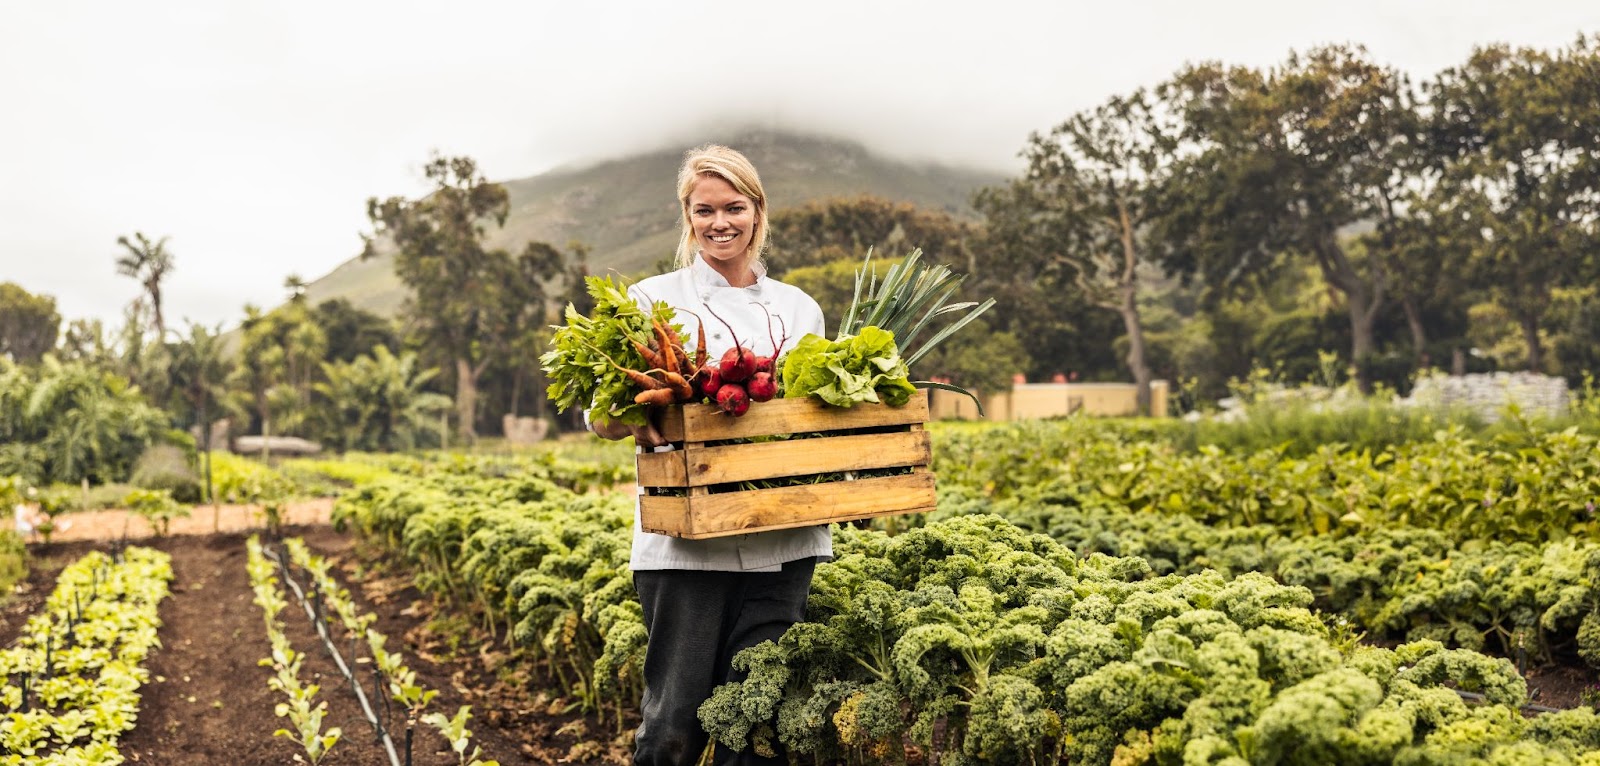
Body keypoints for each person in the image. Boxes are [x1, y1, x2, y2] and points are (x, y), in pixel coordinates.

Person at [591, 144, 828, 766]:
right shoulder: (650, 300)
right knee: (672, 725)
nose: (720, 222)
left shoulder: (800, 309)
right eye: (704, 210)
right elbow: (601, 417)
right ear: (687, 217)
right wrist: (638, 411)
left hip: (785, 540)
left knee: (755, 728)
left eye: (734, 207)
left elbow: (816, 419)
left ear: (758, 211)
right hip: (684, 548)